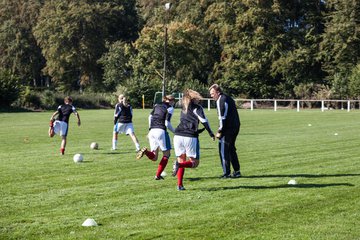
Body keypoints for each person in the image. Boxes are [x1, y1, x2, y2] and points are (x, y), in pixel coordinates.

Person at [172, 89, 215, 190]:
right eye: (198, 100)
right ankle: (178, 165)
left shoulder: (184, 107)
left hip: (177, 135)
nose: (199, 102)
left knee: (181, 160)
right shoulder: (197, 108)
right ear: (195, 99)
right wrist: (210, 133)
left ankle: (179, 185)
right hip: (189, 137)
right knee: (194, 163)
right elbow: (204, 120)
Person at [136, 95, 176, 180]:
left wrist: (150, 129)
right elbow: (167, 123)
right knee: (167, 154)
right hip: (161, 131)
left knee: (154, 157)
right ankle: (157, 175)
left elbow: (150, 117)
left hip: (152, 131)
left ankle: (146, 152)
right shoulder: (170, 108)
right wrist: (175, 132)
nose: (174, 103)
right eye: (173, 101)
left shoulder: (157, 105)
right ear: (170, 101)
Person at [209, 84, 241, 178]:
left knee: (223, 150)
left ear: (218, 92)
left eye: (212, 93)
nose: (211, 96)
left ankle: (226, 173)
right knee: (231, 149)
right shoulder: (228, 98)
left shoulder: (220, 100)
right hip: (235, 126)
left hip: (227, 129)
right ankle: (237, 171)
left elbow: (222, 118)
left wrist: (220, 131)